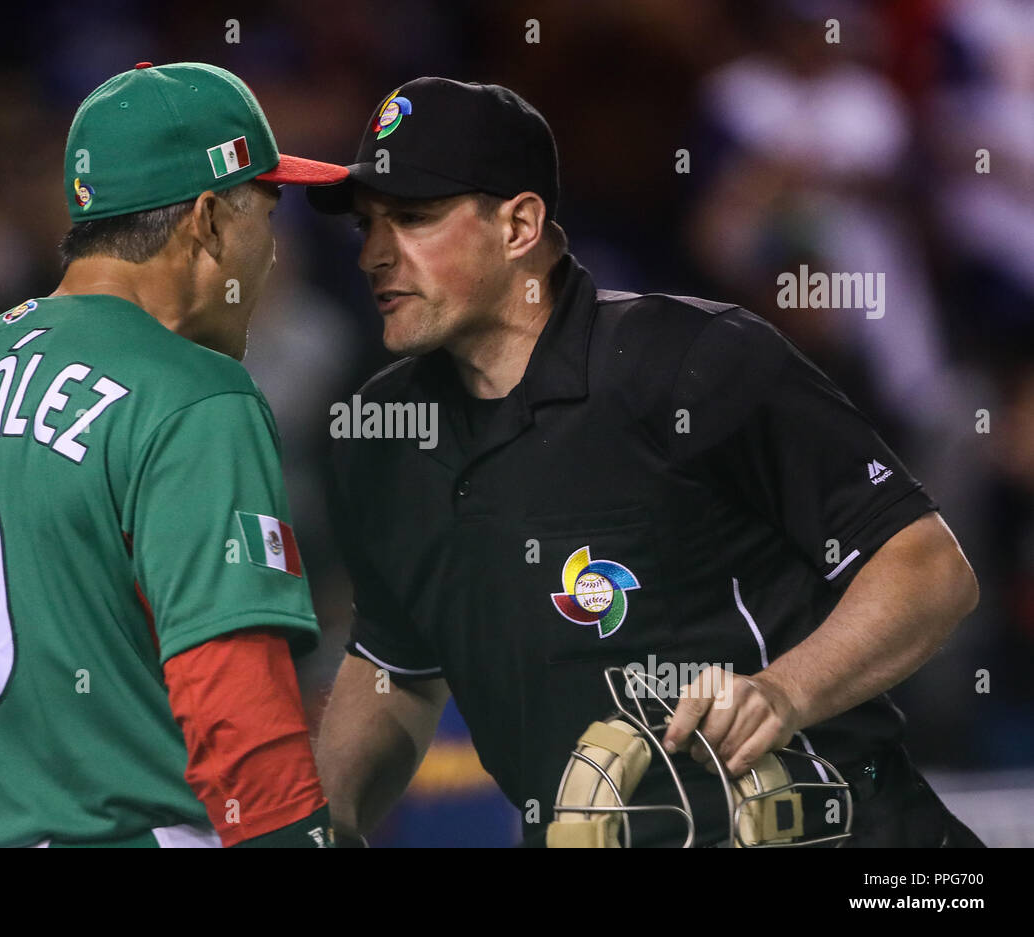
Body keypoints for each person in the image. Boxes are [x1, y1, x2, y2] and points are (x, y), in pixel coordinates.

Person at [307, 77, 984, 847]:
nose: (372, 254)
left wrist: (782, 692)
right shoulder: (379, 438)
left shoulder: (696, 361)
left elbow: (929, 567)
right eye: (367, 225)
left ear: (520, 224)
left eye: (413, 219)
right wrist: (326, 824)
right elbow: (394, 664)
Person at [0, 62, 347, 848]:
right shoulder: (194, 394)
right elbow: (237, 704)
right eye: (265, 215)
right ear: (209, 220)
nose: (273, 253)